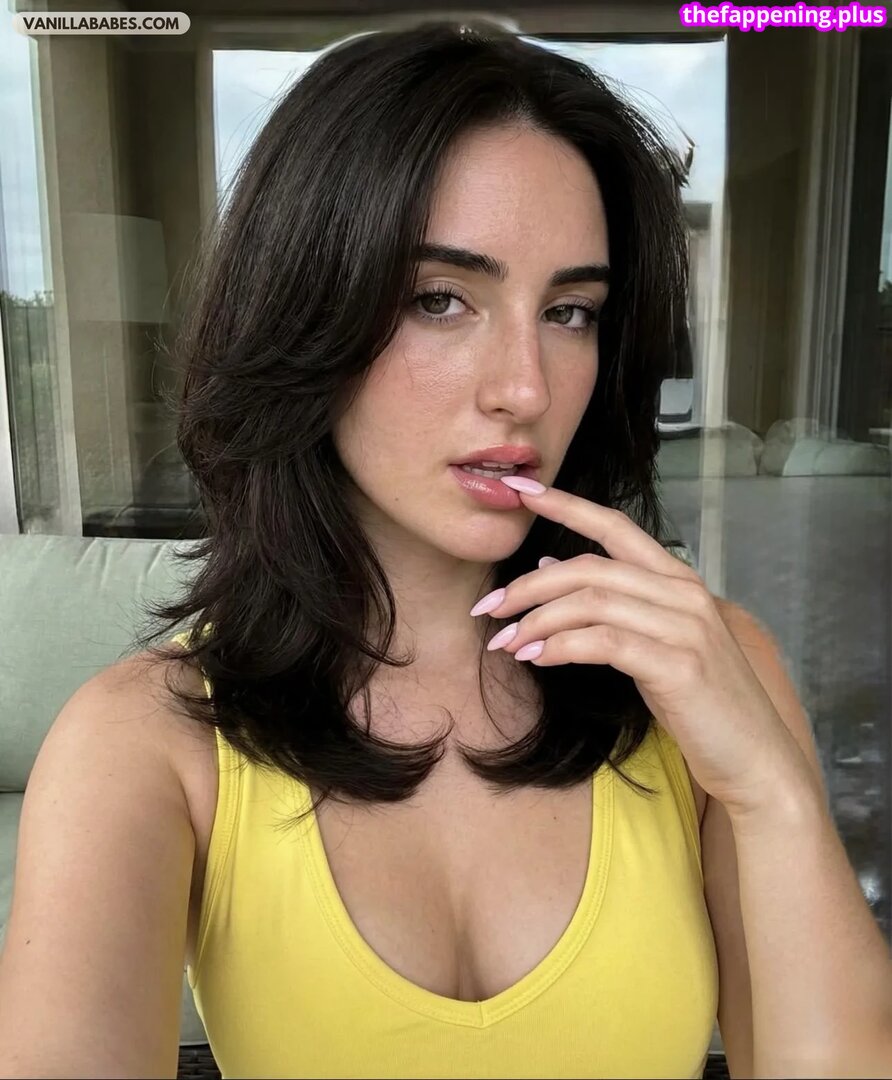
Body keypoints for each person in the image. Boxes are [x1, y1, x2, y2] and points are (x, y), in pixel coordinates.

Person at [2, 19, 891, 1080]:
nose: (524, 385)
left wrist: (772, 795)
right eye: (439, 299)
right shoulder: (142, 741)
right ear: (304, 314)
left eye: (570, 311)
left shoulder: (710, 670)